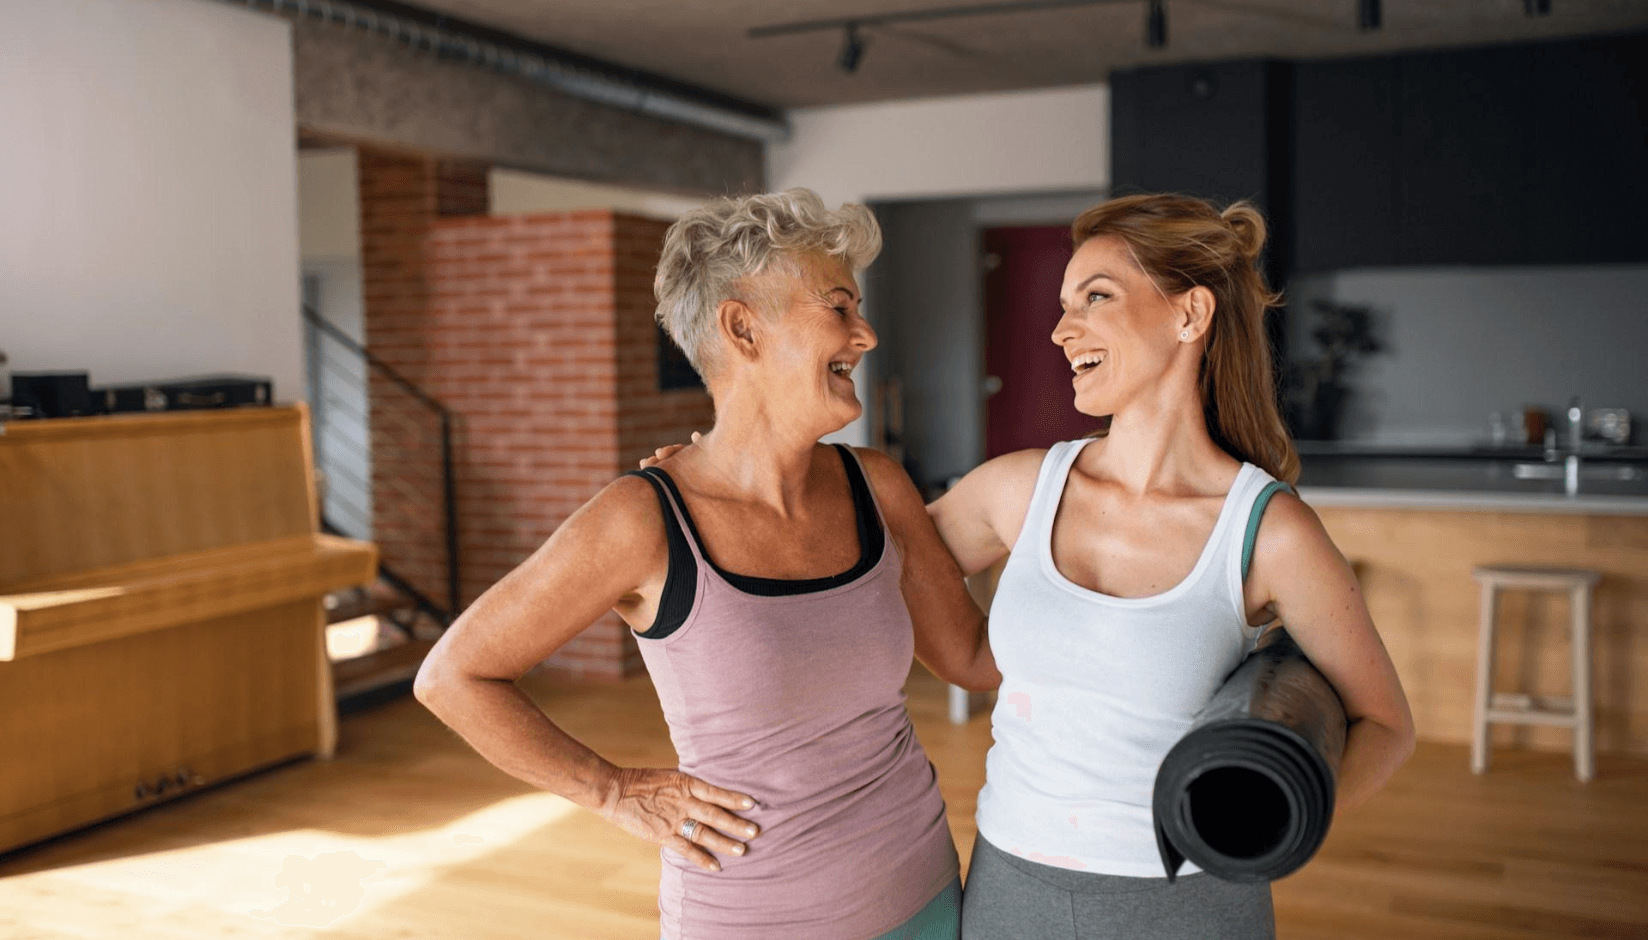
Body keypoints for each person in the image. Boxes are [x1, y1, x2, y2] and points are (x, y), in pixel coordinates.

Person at [413, 188, 998, 940]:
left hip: (922, 890)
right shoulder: (644, 519)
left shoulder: (876, 486)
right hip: (754, 918)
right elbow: (453, 676)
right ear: (742, 327)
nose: (867, 333)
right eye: (839, 307)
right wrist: (611, 791)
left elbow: (971, 656)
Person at [923, 193, 1415, 939]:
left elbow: (1385, 722)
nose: (1061, 330)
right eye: (1063, 304)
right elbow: (866, 570)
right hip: (1009, 885)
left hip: (1187, 903)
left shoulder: (1268, 532)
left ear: (1190, 316)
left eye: (1096, 297)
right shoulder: (1020, 488)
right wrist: (717, 484)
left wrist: (1270, 825)